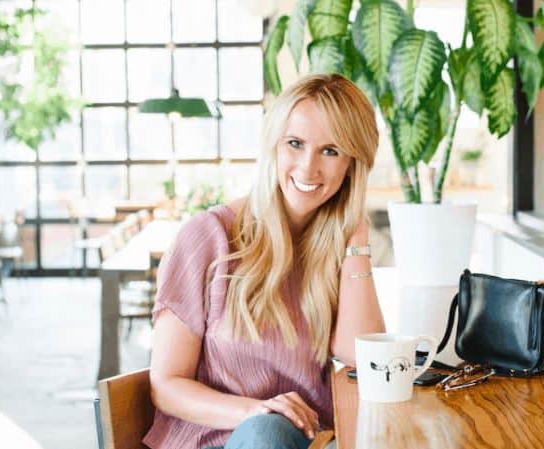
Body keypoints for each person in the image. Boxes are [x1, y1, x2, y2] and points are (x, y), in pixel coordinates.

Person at [144, 73, 386, 449]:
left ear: (352, 165)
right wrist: (256, 411)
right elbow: (166, 386)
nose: (308, 168)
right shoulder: (208, 238)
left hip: (303, 442)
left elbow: (360, 355)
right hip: (219, 440)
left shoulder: (335, 249)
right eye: (295, 144)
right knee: (266, 434)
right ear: (273, 145)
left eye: (331, 151)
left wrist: (356, 235)